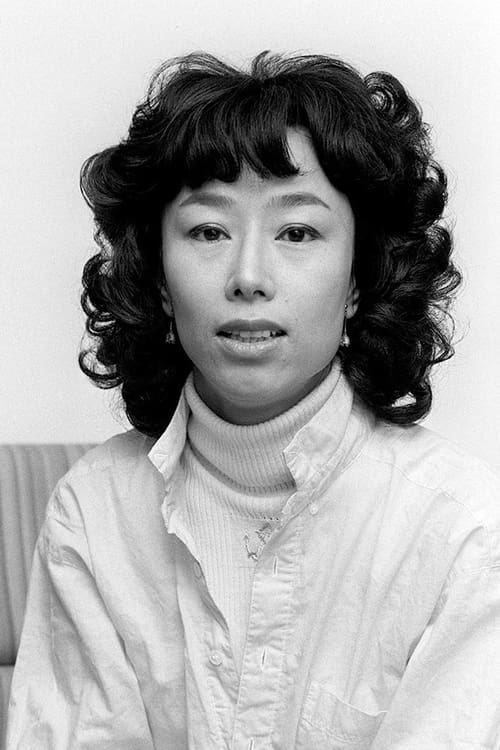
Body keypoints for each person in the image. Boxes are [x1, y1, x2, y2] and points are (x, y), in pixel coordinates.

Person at [7, 51, 500, 749]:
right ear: (159, 280)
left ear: (360, 279)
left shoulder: (463, 530)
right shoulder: (94, 512)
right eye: (209, 231)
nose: (248, 276)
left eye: (297, 232)